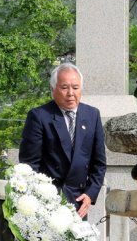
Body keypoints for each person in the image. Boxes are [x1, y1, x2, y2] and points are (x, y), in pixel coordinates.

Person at [19, 62, 107, 218]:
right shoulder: (39, 116)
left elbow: (99, 163)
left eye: (75, 87)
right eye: (64, 87)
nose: (70, 93)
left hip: (78, 202)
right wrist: (38, 197)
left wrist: (90, 194)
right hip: (47, 201)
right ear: (53, 90)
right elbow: (29, 165)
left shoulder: (92, 115)